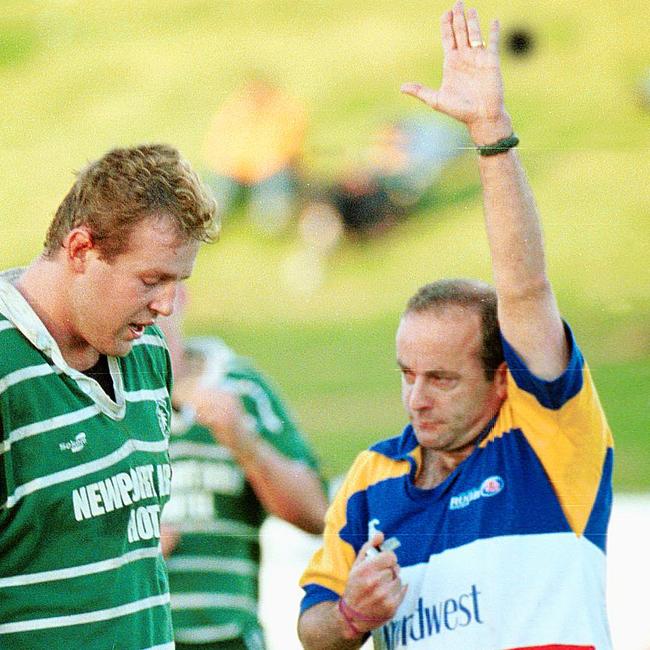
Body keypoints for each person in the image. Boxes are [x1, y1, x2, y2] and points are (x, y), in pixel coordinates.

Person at [298, 4, 613, 649]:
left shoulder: (547, 436)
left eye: (442, 378)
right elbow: (314, 630)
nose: (417, 397)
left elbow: (524, 292)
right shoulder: (370, 478)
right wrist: (352, 616)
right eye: (408, 375)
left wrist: (490, 131)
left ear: (504, 378)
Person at [0, 144, 218, 649]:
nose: (166, 305)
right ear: (80, 250)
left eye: (178, 282)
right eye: (151, 279)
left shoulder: (149, 355)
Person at [158, 295, 328, 650]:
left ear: (181, 296)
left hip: (229, 637)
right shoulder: (91, 390)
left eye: (163, 284)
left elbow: (317, 514)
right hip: (134, 635)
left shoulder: (242, 387)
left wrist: (243, 443)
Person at [203, 78, 308, 234]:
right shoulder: (235, 111)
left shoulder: (286, 111)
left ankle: (272, 219)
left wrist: (267, 165)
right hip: (235, 171)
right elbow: (216, 145)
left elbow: (291, 147)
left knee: (271, 214)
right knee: (218, 188)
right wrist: (231, 165)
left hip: (270, 170)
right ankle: (207, 218)